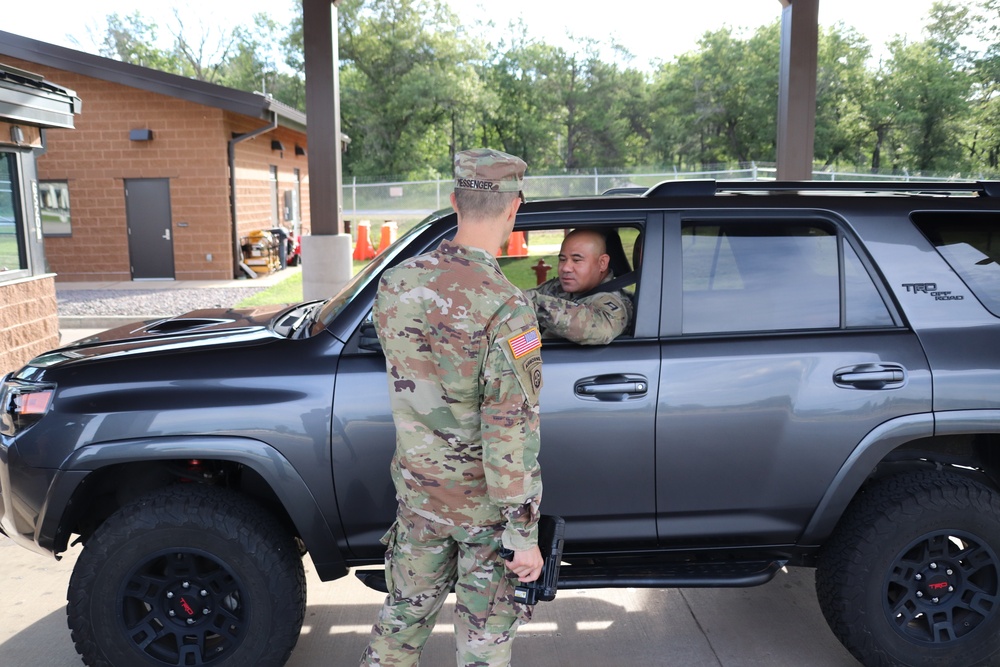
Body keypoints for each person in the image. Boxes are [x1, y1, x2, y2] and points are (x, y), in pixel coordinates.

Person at [361, 148, 544, 667]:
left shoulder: (395, 285)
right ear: (515, 208)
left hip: (418, 499)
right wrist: (523, 535)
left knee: (398, 627)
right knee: (482, 647)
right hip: (484, 516)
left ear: (453, 201)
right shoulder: (509, 307)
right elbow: (509, 429)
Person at [525, 228, 635, 344]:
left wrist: (530, 303)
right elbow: (519, 299)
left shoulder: (613, 301)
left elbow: (601, 330)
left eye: (576, 260)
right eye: (562, 260)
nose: (566, 268)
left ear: (602, 263)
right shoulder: (562, 287)